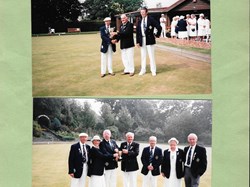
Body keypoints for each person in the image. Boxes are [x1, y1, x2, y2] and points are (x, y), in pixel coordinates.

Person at [136, 7, 162, 76]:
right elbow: (138, 32)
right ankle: (143, 70)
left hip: (150, 40)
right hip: (142, 40)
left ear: (146, 12)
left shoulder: (151, 19)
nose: (142, 14)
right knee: (143, 56)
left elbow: (159, 27)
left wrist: (157, 35)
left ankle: (153, 70)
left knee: (151, 56)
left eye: (143, 12)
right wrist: (137, 42)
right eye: (141, 12)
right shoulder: (140, 20)